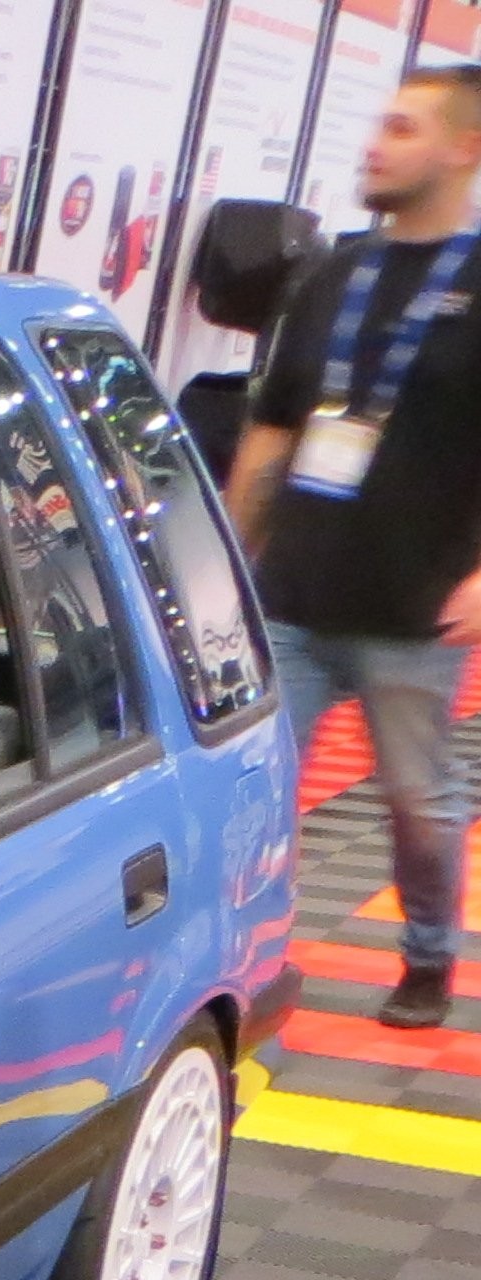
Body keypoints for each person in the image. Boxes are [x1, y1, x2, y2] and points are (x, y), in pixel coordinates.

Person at [231, 66, 481, 1032]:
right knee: (252, 789)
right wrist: (226, 564)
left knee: (419, 803)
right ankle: (243, 954)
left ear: (463, 149)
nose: (376, 145)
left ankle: (428, 957)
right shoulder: (333, 277)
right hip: (292, 597)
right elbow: (274, 430)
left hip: (412, 608)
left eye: (404, 129)